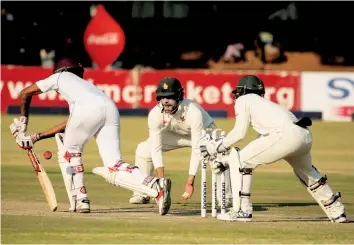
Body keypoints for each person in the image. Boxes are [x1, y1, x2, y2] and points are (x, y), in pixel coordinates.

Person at [9, 59, 172, 215]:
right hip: (109, 108)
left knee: (70, 152)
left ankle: (81, 200)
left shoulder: (59, 76)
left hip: (87, 111)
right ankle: (155, 184)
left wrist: (23, 128)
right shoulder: (85, 88)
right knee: (114, 164)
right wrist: (36, 137)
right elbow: (72, 124)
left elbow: (25, 93)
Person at [199, 75, 347, 223]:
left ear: (242, 91)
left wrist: (216, 147)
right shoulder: (267, 106)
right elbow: (262, 143)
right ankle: (337, 212)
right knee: (308, 173)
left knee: (242, 162)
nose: (236, 97)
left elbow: (239, 133)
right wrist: (227, 160)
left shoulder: (244, 100)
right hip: (304, 134)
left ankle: (243, 210)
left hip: (285, 135)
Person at [128, 76, 233, 207]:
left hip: (204, 133)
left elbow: (197, 149)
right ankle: (142, 193)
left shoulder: (193, 111)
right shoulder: (155, 114)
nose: (166, 101)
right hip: (175, 134)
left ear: (179, 96)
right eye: (162, 97)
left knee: (219, 154)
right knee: (144, 149)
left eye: (170, 97)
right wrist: (161, 182)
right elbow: (156, 149)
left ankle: (226, 197)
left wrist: (190, 182)